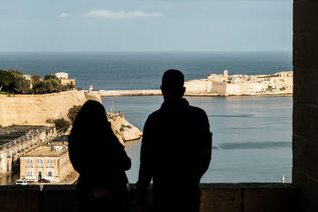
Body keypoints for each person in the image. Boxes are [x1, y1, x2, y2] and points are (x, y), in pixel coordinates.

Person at [137, 69, 212, 212]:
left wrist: (142, 191)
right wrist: (192, 179)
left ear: (162, 90)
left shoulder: (154, 120)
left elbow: (146, 162)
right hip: (190, 193)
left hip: (162, 194)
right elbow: (205, 156)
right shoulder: (199, 116)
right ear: (183, 90)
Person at [68, 100, 131, 212]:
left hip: (87, 193)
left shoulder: (75, 138)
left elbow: (78, 166)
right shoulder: (107, 137)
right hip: (114, 194)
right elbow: (126, 163)